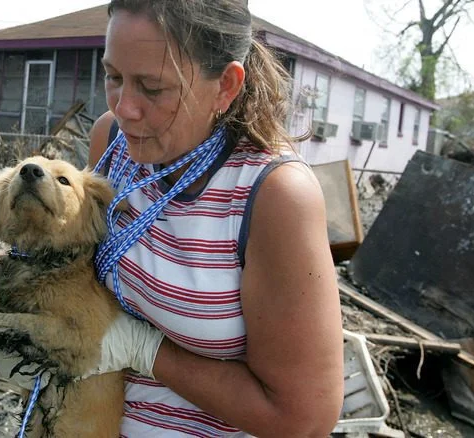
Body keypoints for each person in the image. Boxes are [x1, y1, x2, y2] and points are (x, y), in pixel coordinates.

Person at [83, 1, 345, 436]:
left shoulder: (272, 197)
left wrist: (145, 352)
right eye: (113, 77)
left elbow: (303, 419)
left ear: (225, 85)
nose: (125, 106)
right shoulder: (113, 142)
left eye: (151, 87)